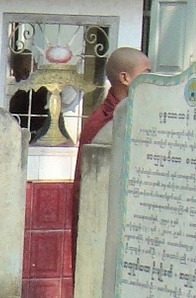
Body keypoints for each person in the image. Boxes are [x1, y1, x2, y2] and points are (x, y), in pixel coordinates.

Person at [72, 46, 151, 253]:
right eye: (146, 74)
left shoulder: (139, 115)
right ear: (125, 78)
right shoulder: (102, 123)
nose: (151, 82)